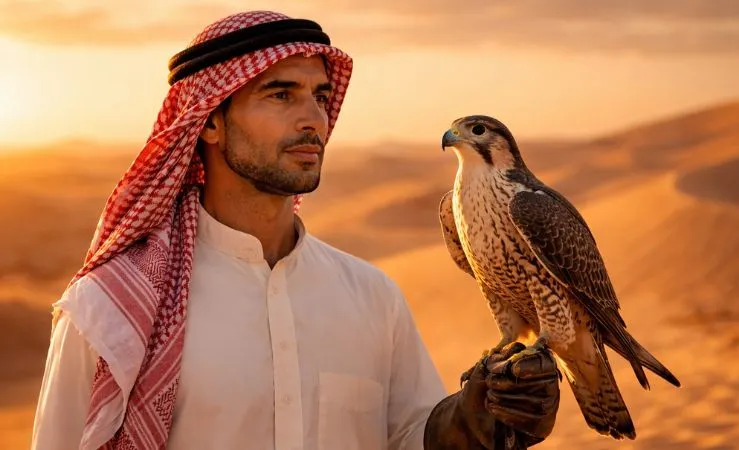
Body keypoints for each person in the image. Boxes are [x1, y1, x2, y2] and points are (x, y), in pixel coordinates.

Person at [30, 10, 560, 450]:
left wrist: (471, 422)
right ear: (209, 121)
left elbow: (409, 437)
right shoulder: (113, 310)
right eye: (281, 95)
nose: (314, 119)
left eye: (321, 97)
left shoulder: (373, 298)